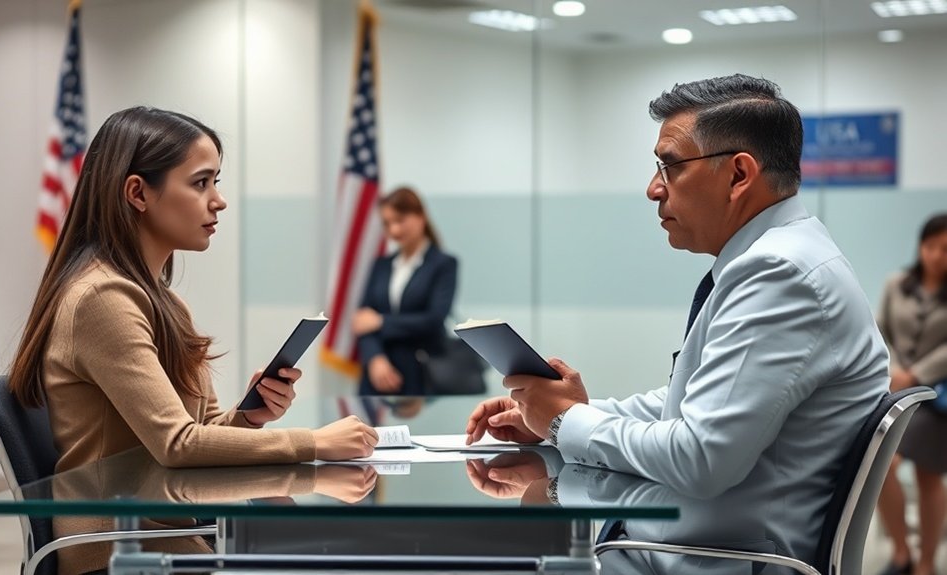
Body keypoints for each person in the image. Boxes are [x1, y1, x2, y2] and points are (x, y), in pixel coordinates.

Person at [465, 74, 889, 562]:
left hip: (709, 559)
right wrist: (569, 414)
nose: (652, 189)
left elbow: (700, 458)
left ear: (738, 175)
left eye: (669, 167)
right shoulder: (782, 255)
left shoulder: (780, 273)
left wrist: (565, 422)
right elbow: (691, 405)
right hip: (691, 545)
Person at [7, 107, 379, 574]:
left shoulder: (160, 301)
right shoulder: (102, 298)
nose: (218, 201)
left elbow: (193, 438)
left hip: (163, 535)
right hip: (120, 550)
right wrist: (315, 444)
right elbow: (178, 446)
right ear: (138, 193)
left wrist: (248, 418)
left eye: (216, 182)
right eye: (201, 183)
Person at [875, 213, 947, 575]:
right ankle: (901, 551)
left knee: (928, 476)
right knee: (879, 466)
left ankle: (926, 562)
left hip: (937, 400)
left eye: (945, 249)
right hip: (896, 393)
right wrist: (896, 371)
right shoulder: (896, 283)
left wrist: (916, 373)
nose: (936, 255)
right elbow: (879, 331)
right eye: (930, 245)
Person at [353, 186, 458, 395]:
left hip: (421, 373)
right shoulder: (381, 265)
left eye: (400, 220)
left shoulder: (443, 264)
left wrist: (382, 321)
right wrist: (375, 358)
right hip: (377, 373)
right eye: (387, 223)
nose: (394, 230)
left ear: (421, 216)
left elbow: (434, 319)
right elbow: (363, 320)